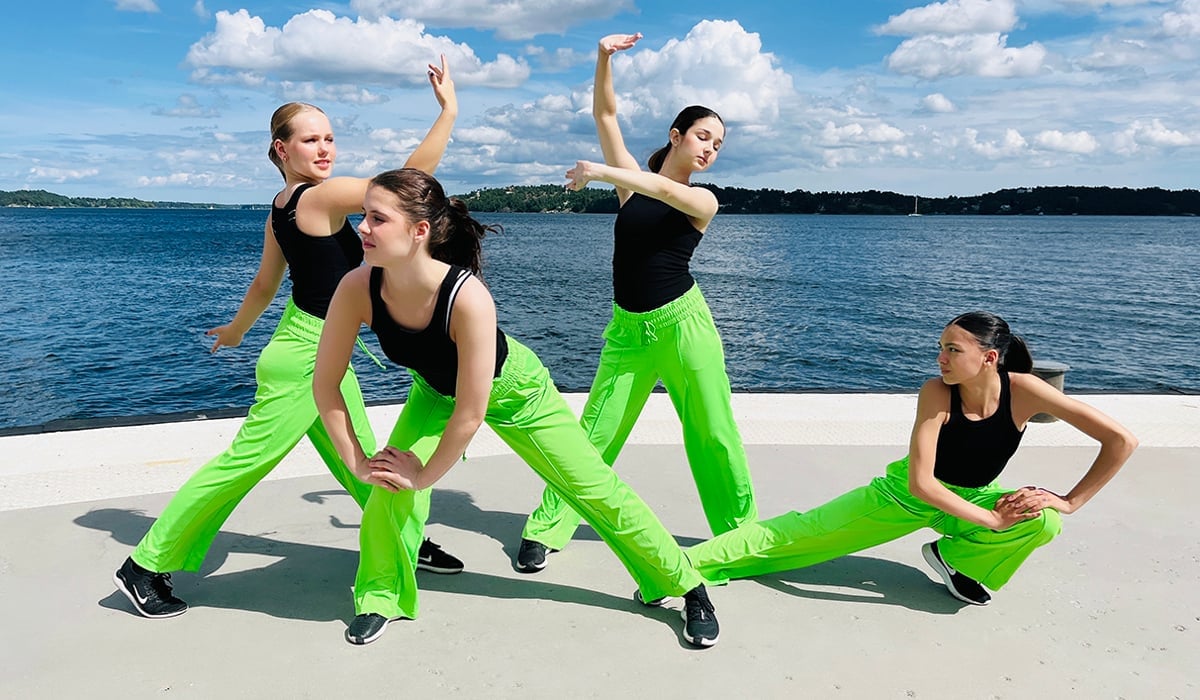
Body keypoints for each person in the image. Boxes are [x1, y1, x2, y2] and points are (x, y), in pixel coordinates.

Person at [113, 58, 464, 620]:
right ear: (281, 149)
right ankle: (145, 564)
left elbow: (265, 282)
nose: (324, 149)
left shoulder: (282, 208)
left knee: (365, 462)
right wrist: (449, 110)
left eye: (329, 137)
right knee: (243, 464)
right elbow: (407, 186)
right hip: (305, 355)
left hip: (321, 346)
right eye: (309, 140)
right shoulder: (316, 201)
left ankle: (402, 540)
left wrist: (236, 331)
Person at [313, 168, 720, 647]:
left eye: (376, 219)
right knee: (388, 486)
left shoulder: (466, 298)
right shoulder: (357, 287)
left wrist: (424, 476)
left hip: (517, 392)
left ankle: (686, 584)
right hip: (434, 392)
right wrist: (358, 463)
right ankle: (380, 597)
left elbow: (472, 412)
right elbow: (326, 384)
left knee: (594, 489)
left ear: (418, 230)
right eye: (363, 215)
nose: (361, 227)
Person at [685, 311, 1138, 606]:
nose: (939, 357)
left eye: (953, 350)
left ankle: (954, 557)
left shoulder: (1024, 391)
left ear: (989, 358)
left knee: (1043, 520)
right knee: (795, 537)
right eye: (941, 347)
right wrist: (993, 523)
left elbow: (1120, 440)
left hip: (975, 496)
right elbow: (923, 484)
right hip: (906, 496)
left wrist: (1069, 501)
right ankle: (680, 564)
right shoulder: (937, 392)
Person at [516, 32, 758, 573]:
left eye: (717, 144)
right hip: (628, 331)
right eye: (702, 136)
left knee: (714, 433)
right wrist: (601, 57)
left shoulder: (702, 199)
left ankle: (741, 537)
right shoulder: (636, 185)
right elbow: (606, 116)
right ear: (676, 135)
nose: (709, 149)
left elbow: (666, 193)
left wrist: (602, 172)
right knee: (591, 435)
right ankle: (549, 525)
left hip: (683, 327)